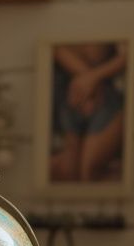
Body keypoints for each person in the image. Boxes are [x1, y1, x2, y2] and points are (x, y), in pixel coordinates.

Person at [49, 41, 127, 182]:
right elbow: (55, 48)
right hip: (71, 92)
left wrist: (92, 79)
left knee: (89, 171)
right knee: (69, 173)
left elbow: (127, 55)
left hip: (103, 95)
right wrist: (90, 81)